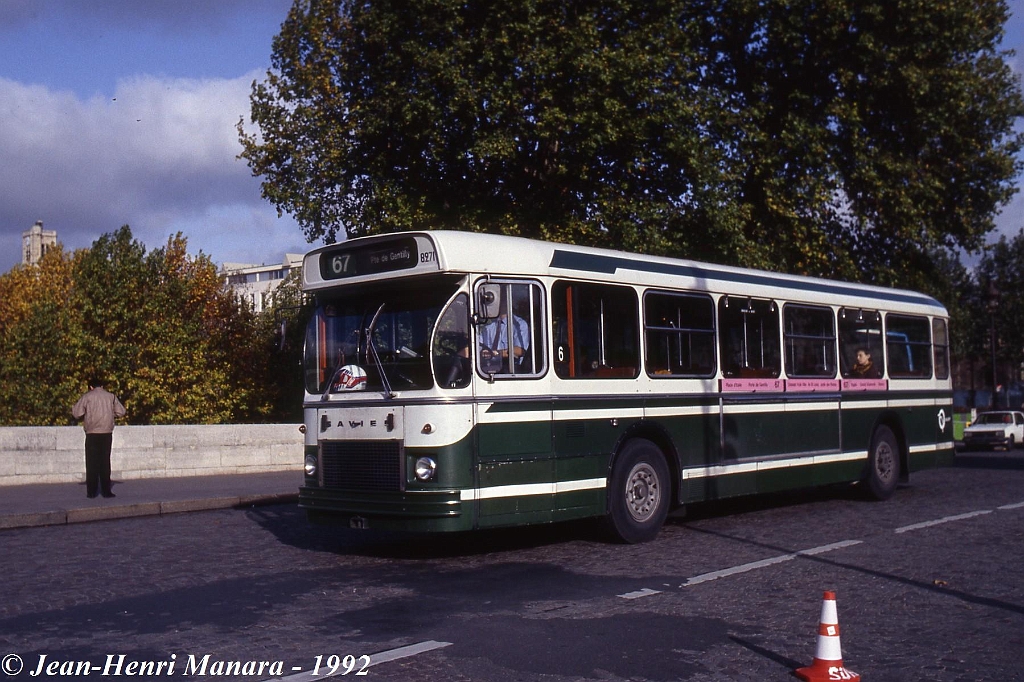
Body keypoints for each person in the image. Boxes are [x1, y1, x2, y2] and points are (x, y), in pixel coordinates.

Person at [72, 377, 127, 498]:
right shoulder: (111, 396)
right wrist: (110, 414)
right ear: (102, 386)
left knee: (92, 462)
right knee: (105, 462)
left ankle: (92, 492)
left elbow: (76, 413)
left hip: (92, 433)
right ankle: (106, 491)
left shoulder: (87, 397)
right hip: (106, 433)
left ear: (91, 387)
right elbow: (121, 412)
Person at [479, 304, 530, 374]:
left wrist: (496, 353)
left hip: (510, 370)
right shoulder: (487, 326)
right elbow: (478, 348)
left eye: (503, 300)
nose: (501, 303)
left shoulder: (519, 324)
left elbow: (520, 351)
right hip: (487, 369)